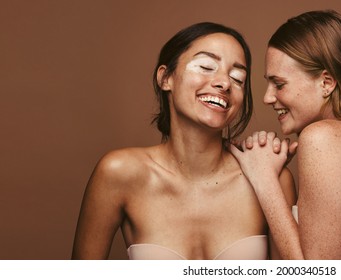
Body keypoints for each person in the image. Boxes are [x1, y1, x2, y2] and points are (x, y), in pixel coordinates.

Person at [72, 22, 295, 260]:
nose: (224, 83)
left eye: (237, 78)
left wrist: (267, 181)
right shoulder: (119, 173)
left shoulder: (272, 178)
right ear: (165, 78)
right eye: (206, 66)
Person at [230, 10, 341, 259]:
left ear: (326, 82)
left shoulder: (323, 138)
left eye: (280, 84)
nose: (267, 97)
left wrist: (264, 178)